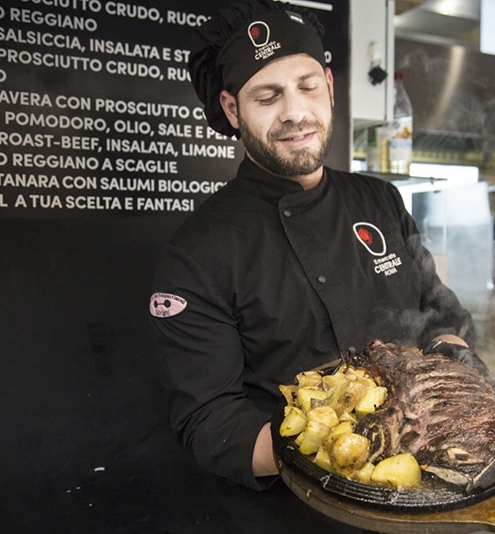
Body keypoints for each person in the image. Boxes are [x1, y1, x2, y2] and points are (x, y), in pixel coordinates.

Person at [149, 1, 476, 531]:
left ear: (327, 82)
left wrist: (453, 373)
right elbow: (208, 421)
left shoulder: (380, 201)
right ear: (233, 110)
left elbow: (440, 311)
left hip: (421, 510)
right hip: (289, 518)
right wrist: (344, 452)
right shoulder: (199, 249)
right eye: (267, 96)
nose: (294, 112)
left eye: (305, 85)